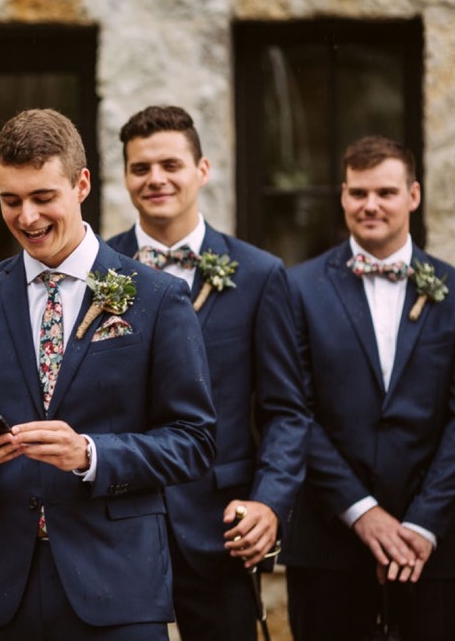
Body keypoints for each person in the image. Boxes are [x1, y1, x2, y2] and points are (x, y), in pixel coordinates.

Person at [0, 108, 217, 640]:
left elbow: (193, 441)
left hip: (117, 587)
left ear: (81, 184)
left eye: (42, 198)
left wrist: (92, 455)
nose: (27, 218)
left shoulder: (156, 298)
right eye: (10, 200)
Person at [106, 105, 310, 640]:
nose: (155, 179)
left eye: (170, 164)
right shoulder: (97, 269)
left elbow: (286, 410)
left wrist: (269, 501)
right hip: (116, 523)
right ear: (125, 177)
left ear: (202, 169)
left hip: (220, 526)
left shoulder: (260, 274)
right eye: (140, 167)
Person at [282, 136, 455, 639]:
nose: (370, 206)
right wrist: (363, 514)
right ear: (342, 195)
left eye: (385, 192)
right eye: (358, 193)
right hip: (328, 540)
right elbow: (290, 411)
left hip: (437, 543)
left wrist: (422, 525)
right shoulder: (296, 289)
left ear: (414, 195)